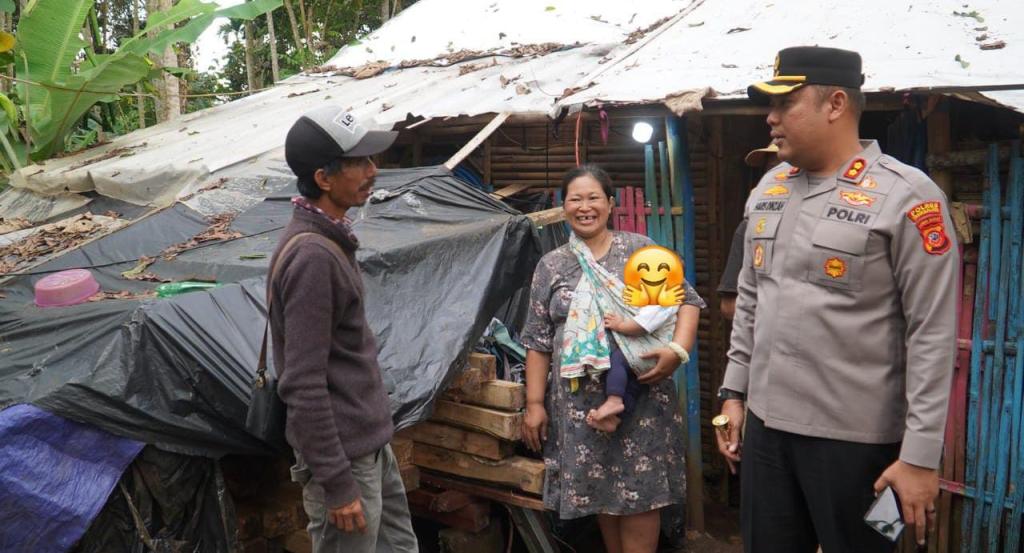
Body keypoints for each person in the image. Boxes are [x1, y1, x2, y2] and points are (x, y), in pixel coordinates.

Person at [715, 46, 959, 552]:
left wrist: (919, 456)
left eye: (785, 104)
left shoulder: (909, 197)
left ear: (836, 104)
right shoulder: (768, 189)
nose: (771, 117)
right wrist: (733, 394)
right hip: (765, 433)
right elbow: (751, 300)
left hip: (861, 445)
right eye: (770, 106)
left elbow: (932, 334)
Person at [520, 164, 705, 553]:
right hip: (579, 408)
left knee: (639, 494)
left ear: (610, 203)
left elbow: (686, 302)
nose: (585, 207)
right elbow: (537, 340)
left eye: (593, 198)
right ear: (563, 205)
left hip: (642, 402)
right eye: (575, 199)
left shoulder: (638, 250)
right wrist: (534, 404)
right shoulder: (552, 265)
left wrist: (677, 351)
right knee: (602, 492)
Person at [268, 106, 418, 553]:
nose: (374, 170)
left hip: (369, 448)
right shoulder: (314, 258)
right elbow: (303, 384)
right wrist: (337, 484)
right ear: (324, 178)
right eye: (360, 163)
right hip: (346, 461)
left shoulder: (331, 240)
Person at [591, 305, 678, 432]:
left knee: (618, 360)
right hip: (651, 353)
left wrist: (619, 325)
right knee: (632, 383)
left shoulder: (661, 301)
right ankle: (616, 418)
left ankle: (614, 400)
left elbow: (643, 325)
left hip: (652, 350)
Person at [717, 144, 779, 320]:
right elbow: (730, 306)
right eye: (772, 169)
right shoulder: (750, 226)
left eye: (789, 167)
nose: (781, 176)